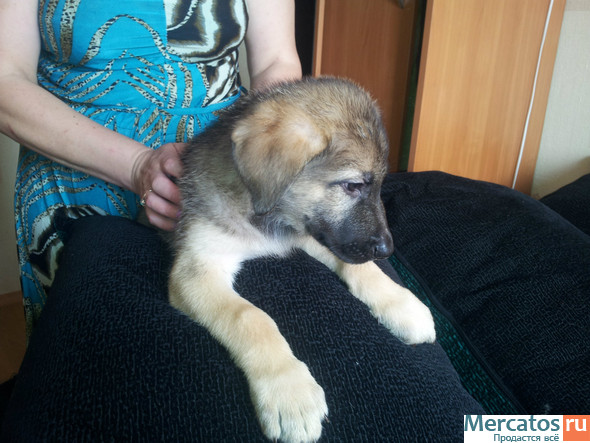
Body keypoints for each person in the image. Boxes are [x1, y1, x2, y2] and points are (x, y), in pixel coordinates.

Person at [0, 0, 302, 335]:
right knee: (82, 346)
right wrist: (136, 165)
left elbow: (277, 60)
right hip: (74, 180)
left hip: (221, 177)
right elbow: (5, 79)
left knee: (223, 339)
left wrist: (257, 157)